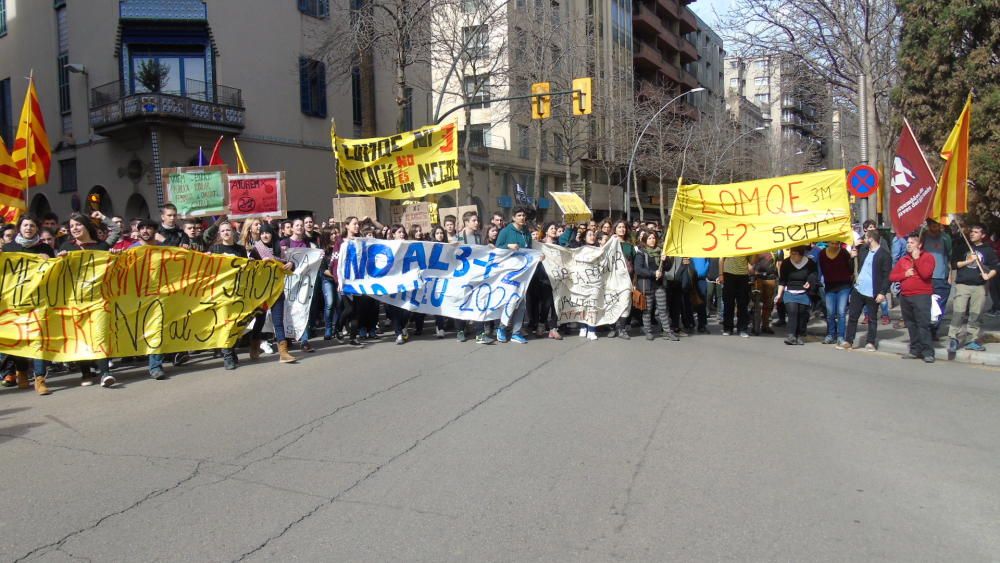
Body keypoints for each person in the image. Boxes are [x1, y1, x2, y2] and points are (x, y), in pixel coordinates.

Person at [57, 213, 115, 385]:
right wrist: (60, 260)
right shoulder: (67, 246)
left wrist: (103, 218)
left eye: (78, 225)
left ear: (86, 226)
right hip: (76, 300)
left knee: (100, 335)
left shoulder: (101, 246)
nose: (74, 228)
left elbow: (116, 231)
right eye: (71, 226)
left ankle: (105, 373)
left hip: (99, 299)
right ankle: (86, 373)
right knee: (80, 337)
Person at [1, 216, 56, 394]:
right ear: (20, 228)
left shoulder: (45, 248)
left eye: (33, 225)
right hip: (15, 302)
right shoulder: (9, 249)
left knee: (38, 340)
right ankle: (22, 370)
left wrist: (49, 260)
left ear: (37, 229)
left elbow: (56, 272)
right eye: (25, 225)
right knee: (20, 340)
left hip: (38, 302)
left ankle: (40, 378)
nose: (29, 228)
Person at [249, 223, 297, 362]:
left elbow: (288, 266)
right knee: (260, 319)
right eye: (262, 233)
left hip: (277, 290)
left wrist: (291, 265)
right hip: (262, 291)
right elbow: (249, 268)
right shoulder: (256, 250)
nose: (264, 235)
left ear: (272, 234)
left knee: (278, 321)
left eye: (267, 233)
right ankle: (254, 347)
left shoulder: (279, 250)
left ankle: (283, 353)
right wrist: (260, 263)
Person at [947, 224, 998, 355]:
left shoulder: (988, 250)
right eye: (971, 231)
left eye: (976, 232)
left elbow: (995, 267)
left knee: (976, 314)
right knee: (959, 312)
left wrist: (988, 275)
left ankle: (972, 340)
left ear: (983, 235)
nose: (972, 234)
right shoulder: (962, 247)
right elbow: (954, 264)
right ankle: (953, 338)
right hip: (962, 284)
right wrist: (968, 261)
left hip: (979, 286)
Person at [840, 229, 892, 351]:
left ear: (871, 239)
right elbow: (852, 268)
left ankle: (870, 342)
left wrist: (882, 292)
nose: (863, 240)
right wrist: (852, 257)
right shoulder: (863, 251)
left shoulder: (884, 255)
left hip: (872, 291)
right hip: (858, 289)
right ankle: (849, 340)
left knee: (872, 318)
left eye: (865, 238)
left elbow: (887, 276)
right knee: (853, 316)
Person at [890, 233, 936, 362]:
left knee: (923, 324)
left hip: (921, 295)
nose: (909, 245)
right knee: (911, 324)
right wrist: (904, 274)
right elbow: (892, 276)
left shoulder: (928, 257)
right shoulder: (903, 259)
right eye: (908, 242)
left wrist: (916, 260)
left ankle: (927, 352)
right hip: (906, 296)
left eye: (912, 243)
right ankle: (915, 349)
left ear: (919, 245)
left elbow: (926, 274)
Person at [208, 221, 247, 370]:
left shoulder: (240, 249)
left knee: (236, 325)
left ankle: (231, 349)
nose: (226, 232)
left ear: (233, 232)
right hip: (221, 292)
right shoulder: (215, 249)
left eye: (228, 230)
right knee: (225, 324)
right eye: (223, 230)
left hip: (237, 291)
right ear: (219, 233)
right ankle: (228, 356)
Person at [455, 211, 495, 344]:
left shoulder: (480, 237)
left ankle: (480, 333)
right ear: (466, 222)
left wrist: (489, 247)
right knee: (462, 302)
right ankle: (460, 330)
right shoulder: (458, 238)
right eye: (474, 220)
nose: (477, 223)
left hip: (477, 275)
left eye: (477, 220)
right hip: (462, 276)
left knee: (478, 302)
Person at [494, 207, 533, 344]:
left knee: (521, 303)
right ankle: (502, 328)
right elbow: (498, 249)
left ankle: (516, 331)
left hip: (523, 273)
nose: (522, 217)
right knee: (509, 301)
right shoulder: (505, 231)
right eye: (519, 215)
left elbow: (529, 251)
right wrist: (508, 246)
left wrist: (537, 257)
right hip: (509, 272)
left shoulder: (526, 232)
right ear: (513, 217)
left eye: (523, 215)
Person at [280, 217, 318, 353]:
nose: (300, 227)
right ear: (292, 227)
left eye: (301, 225)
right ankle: (288, 337)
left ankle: (304, 341)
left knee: (303, 308)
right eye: (297, 225)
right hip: (288, 282)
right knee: (288, 309)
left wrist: (318, 255)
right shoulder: (285, 242)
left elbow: (312, 258)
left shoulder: (307, 243)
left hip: (304, 282)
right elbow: (281, 260)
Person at [634, 231, 680, 342]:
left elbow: (667, 268)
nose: (652, 240)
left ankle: (667, 331)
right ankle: (648, 331)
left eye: (653, 238)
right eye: (649, 238)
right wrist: (653, 273)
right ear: (645, 240)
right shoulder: (641, 252)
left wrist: (666, 260)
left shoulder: (661, 252)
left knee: (663, 309)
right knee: (647, 310)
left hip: (659, 285)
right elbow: (639, 270)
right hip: (647, 286)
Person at [776, 245, 819, 345]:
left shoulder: (810, 263)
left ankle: (799, 335)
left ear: (801, 254)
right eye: (791, 253)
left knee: (802, 314)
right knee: (792, 312)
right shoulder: (786, 263)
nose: (792, 256)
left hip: (804, 292)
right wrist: (779, 295)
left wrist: (809, 281)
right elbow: (782, 280)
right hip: (790, 291)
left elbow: (814, 274)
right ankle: (791, 335)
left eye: (795, 254)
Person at [921, 218, 953, 339]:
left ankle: (934, 329)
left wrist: (950, 276)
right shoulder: (923, 237)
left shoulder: (945, 238)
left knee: (939, 306)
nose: (935, 227)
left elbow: (949, 256)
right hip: (926, 277)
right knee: (925, 305)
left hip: (941, 277)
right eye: (932, 225)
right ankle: (926, 329)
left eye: (937, 224)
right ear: (928, 225)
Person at [818, 241, 852, 346]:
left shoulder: (844, 253)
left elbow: (850, 268)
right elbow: (821, 268)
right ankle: (831, 335)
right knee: (830, 313)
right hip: (829, 286)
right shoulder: (822, 253)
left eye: (837, 244)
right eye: (832, 243)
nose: (834, 246)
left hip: (844, 286)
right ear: (828, 243)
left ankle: (841, 336)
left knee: (841, 312)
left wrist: (853, 258)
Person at [610, 221, 635, 339]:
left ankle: (622, 328)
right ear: (615, 229)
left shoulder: (629, 246)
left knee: (625, 303)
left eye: (624, 227)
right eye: (619, 227)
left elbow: (634, 265)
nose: (622, 229)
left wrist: (634, 282)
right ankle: (614, 328)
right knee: (613, 304)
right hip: (612, 279)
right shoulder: (611, 243)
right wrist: (610, 241)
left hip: (626, 280)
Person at [718, 254, 753, 337]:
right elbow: (721, 258)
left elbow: (751, 261)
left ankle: (742, 329)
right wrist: (721, 274)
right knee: (728, 302)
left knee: (743, 303)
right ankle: (727, 328)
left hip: (743, 275)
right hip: (728, 274)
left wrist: (756, 253)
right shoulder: (727, 242)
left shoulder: (747, 243)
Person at [751, 251, 778, 335]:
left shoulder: (776, 250)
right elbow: (751, 263)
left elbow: (778, 264)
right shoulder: (757, 248)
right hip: (758, 278)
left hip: (771, 278)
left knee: (769, 303)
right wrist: (753, 272)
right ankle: (755, 326)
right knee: (756, 303)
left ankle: (765, 325)